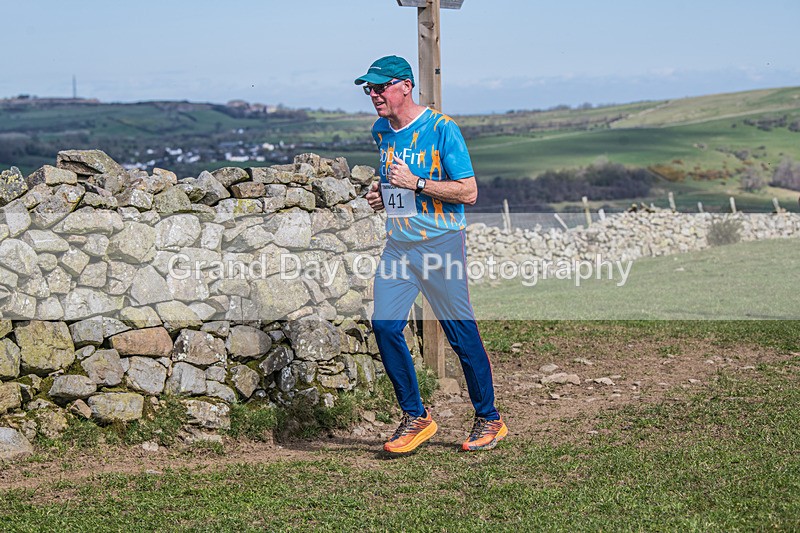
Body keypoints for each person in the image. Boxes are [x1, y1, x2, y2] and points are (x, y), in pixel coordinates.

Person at [355, 55, 507, 453]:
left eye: (380, 87)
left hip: (441, 245)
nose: (373, 95)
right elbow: (395, 181)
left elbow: (468, 192)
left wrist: (417, 183)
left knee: (460, 334)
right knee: (385, 326)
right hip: (399, 246)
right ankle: (416, 417)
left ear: (405, 86)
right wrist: (383, 194)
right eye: (369, 89)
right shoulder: (381, 131)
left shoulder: (442, 129)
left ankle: (489, 419)